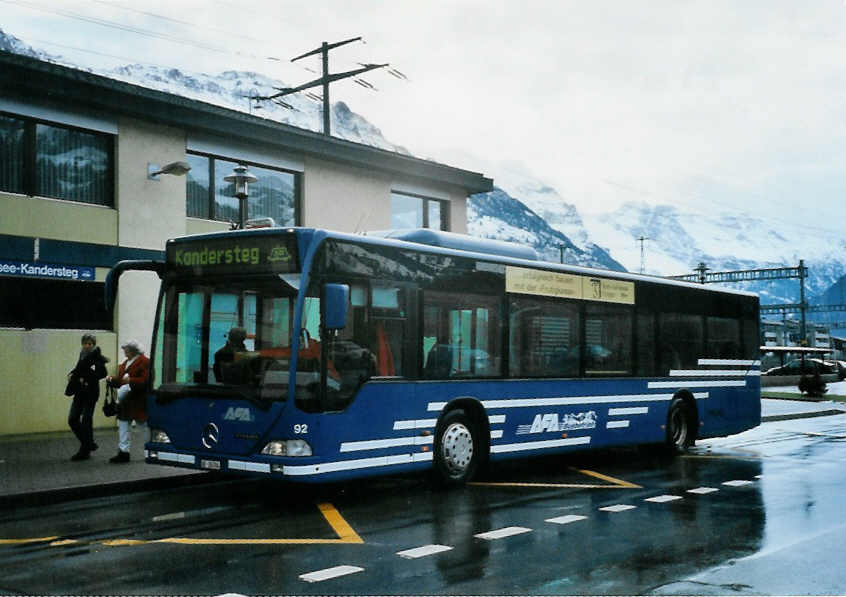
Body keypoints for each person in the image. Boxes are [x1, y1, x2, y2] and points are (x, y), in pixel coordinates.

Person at [66, 333, 109, 461]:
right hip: (80, 392)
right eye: (85, 343)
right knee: (72, 419)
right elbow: (79, 368)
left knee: (86, 420)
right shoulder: (82, 354)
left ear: (94, 344)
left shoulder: (97, 356)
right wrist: (72, 374)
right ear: (82, 344)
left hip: (90, 393)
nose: (87, 346)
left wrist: (85, 378)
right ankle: (89, 443)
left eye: (90, 344)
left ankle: (85, 449)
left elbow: (102, 373)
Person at [106, 340, 150, 463]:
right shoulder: (125, 363)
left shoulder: (145, 361)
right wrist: (112, 380)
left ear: (132, 350)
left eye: (125, 348)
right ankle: (123, 452)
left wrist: (130, 380)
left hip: (138, 400)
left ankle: (150, 450)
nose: (124, 350)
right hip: (126, 402)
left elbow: (146, 381)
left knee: (143, 426)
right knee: (123, 426)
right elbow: (121, 381)